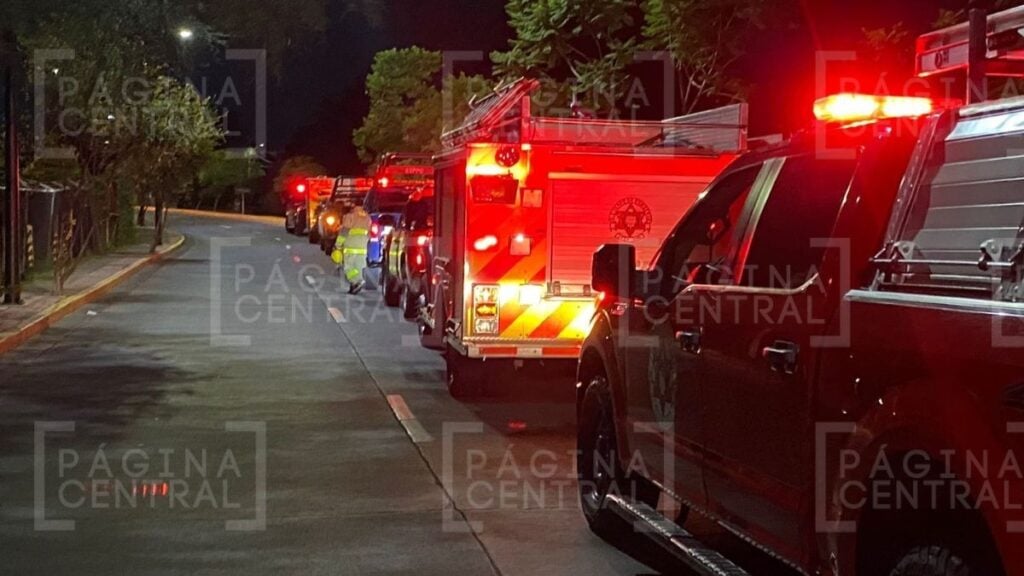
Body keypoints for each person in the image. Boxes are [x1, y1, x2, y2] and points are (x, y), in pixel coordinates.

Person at [332, 199, 371, 294]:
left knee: (348, 267)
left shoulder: (350, 217)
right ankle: (357, 282)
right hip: (363, 247)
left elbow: (344, 232)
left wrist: (338, 244)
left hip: (351, 246)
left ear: (353, 206)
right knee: (358, 267)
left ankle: (356, 281)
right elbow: (369, 233)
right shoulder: (368, 218)